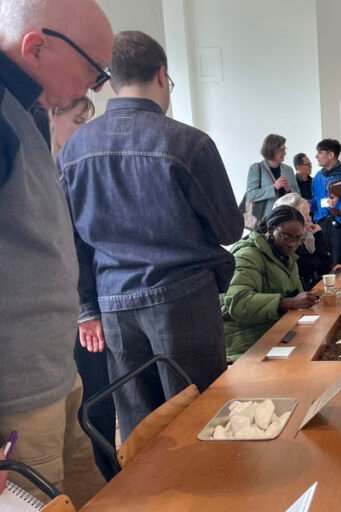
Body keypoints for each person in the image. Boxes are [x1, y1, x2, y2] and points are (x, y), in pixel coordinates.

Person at [58, 31, 244, 441]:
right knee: (201, 420)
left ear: (110, 80)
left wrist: (87, 309)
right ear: (162, 75)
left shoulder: (72, 150)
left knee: (141, 430)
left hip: (114, 304)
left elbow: (71, 243)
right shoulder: (188, 143)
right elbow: (229, 229)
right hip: (182, 298)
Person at [0, 0, 113, 505]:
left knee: (91, 492)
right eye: (93, 70)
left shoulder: (27, 109)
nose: (94, 87)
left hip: (53, 372)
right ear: (36, 46)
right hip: (16, 394)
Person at [51, 94, 117, 481]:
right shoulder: (54, 171)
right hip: (76, 312)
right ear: (51, 116)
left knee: (96, 407)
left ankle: (109, 480)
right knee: (91, 407)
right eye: (78, 119)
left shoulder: (66, 166)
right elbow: (71, 247)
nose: (85, 129)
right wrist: (87, 310)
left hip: (84, 304)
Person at [220, 206, 320, 361]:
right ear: (271, 230)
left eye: (298, 239)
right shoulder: (248, 255)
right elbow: (238, 302)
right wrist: (287, 302)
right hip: (246, 341)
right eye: (286, 236)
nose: (292, 244)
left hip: (274, 330)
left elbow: (294, 296)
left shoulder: (285, 256)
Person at [273, 193, 333, 291]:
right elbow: (324, 267)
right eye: (306, 215)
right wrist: (318, 235)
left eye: (309, 214)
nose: (310, 219)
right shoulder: (291, 244)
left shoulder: (306, 237)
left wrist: (317, 234)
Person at [246, 134, 299, 222]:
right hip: (265, 221)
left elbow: (298, 196)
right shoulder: (256, 168)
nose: (285, 153)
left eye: (285, 149)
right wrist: (274, 188)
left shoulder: (289, 170)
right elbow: (251, 195)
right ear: (272, 150)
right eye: (282, 150)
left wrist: (288, 190)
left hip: (287, 219)